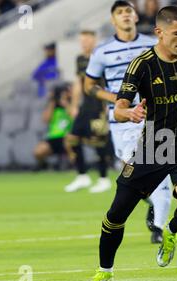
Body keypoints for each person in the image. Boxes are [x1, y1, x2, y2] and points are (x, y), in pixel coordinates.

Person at [86, 5, 177, 281]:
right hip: (152, 146)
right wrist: (131, 113)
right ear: (159, 32)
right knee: (116, 214)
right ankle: (105, 271)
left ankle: (170, 231)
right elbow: (120, 108)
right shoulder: (142, 64)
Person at [84, 1, 172, 243]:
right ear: (113, 20)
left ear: (136, 17)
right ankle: (154, 202)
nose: (125, 15)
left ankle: (158, 228)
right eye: (119, 12)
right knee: (133, 175)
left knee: (159, 170)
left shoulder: (151, 45)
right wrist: (118, 99)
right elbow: (89, 86)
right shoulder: (102, 51)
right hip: (122, 119)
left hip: (153, 116)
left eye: (128, 11)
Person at [64, 30, 112, 194]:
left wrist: (108, 105)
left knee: (99, 141)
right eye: (81, 40)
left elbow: (108, 82)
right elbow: (79, 82)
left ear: (94, 40)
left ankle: (104, 179)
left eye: (86, 40)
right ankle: (82, 176)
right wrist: (74, 105)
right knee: (72, 139)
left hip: (99, 104)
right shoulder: (80, 59)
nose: (83, 43)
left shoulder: (102, 57)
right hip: (86, 105)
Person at [34, 83, 73, 169]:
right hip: (54, 137)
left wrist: (66, 103)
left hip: (69, 137)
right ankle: (44, 166)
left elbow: (74, 117)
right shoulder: (53, 107)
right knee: (38, 152)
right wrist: (52, 101)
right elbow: (46, 119)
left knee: (70, 145)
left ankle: (74, 166)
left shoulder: (73, 105)